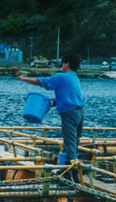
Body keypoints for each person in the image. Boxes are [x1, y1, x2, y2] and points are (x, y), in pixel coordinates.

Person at [14, 54, 84, 182]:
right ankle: (73, 170)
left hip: (69, 113)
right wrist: (52, 103)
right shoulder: (74, 77)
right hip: (79, 113)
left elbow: (42, 82)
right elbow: (68, 96)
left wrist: (22, 78)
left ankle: (70, 172)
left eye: (63, 63)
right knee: (74, 142)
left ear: (67, 64)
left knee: (69, 142)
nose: (62, 65)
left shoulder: (61, 77)